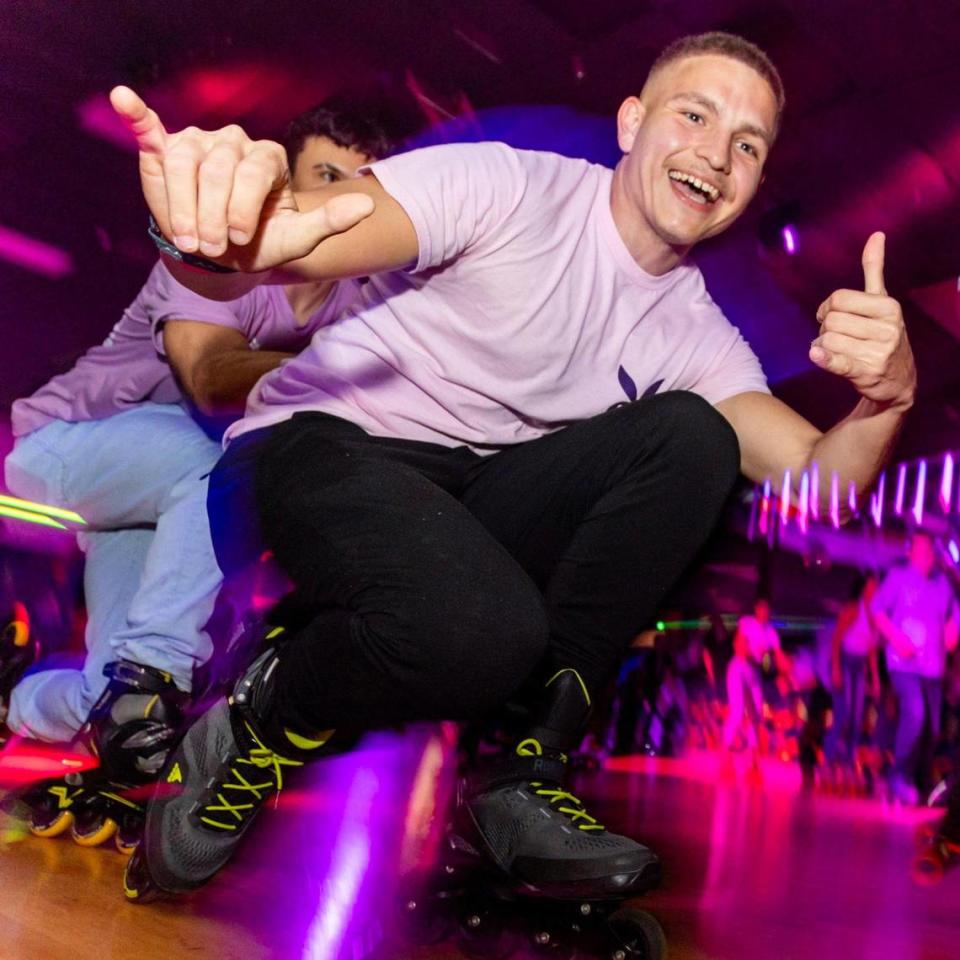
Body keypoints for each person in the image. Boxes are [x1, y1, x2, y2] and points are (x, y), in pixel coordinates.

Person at [110, 30, 916, 902]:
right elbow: (300, 240)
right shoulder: (506, 184)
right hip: (311, 454)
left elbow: (820, 488)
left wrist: (889, 402)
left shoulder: (697, 334)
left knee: (693, 437)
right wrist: (219, 224)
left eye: (748, 145)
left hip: (454, 505)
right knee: (482, 629)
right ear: (632, 123)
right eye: (695, 115)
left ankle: (514, 775)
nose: (716, 156)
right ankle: (259, 724)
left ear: (755, 182)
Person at [0, 99, 394, 846]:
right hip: (61, 448)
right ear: (281, 188)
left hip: (156, 497)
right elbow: (210, 378)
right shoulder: (214, 254)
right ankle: (151, 678)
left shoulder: (355, 299)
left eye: (362, 183)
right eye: (325, 174)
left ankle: (16, 705)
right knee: (211, 458)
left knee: (103, 683)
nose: (344, 197)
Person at [872, 533, 959, 804]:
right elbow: (877, 610)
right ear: (911, 552)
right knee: (916, 712)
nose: (927, 555)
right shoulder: (898, 577)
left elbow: (956, 611)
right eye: (922, 550)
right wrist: (896, 638)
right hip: (903, 664)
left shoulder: (942, 583)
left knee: (932, 730)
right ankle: (898, 776)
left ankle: (914, 781)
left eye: (930, 550)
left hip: (933, 668)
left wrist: (954, 627)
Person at [823, 574, 880, 785]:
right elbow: (836, 640)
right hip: (845, 662)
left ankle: (848, 765)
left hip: (860, 666)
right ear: (864, 588)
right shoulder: (853, 609)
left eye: (877, 586)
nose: (875, 589)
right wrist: (836, 668)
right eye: (872, 585)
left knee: (857, 719)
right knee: (843, 715)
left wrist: (875, 678)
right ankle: (828, 763)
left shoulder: (876, 614)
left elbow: (872, 649)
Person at [721, 597, 789, 772]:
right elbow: (739, 646)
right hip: (739, 667)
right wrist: (752, 652)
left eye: (767, 610)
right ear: (756, 609)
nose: (764, 612)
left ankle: (753, 761)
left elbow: (778, 654)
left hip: (754, 672)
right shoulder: (747, 623)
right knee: (737, 712)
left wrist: (786, 669)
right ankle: (726, 757)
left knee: (756, 716)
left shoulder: (771, 632)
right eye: (761, 609)